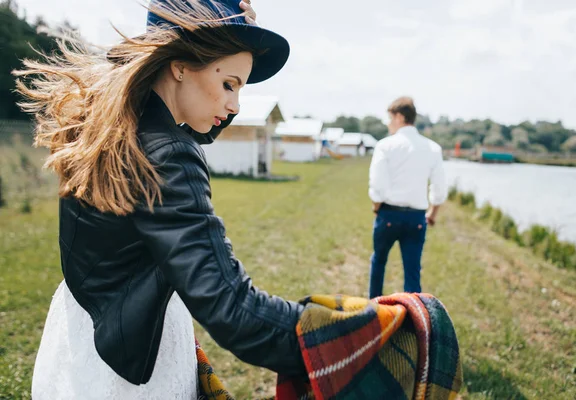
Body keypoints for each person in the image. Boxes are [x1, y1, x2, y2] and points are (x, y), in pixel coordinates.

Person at [17, 1, 307, 398]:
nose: (236, 105)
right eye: (229, 85)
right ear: (181, 65)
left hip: (78, 339)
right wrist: (348, 335)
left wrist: (237, 39)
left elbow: (193, 129)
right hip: (130, 370)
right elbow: (232, 307)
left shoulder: (111, 120)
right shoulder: (168, 153)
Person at [368, 97, 447, 298]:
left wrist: (377, 207)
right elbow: (439, 187)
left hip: (388, 214)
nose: (388, 123)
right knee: (412, 271)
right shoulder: (432, 148)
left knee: (379, 261)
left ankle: (373, 308)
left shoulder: (385, 146)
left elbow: (378, 185)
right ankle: (412, 320)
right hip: (417, 218)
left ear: (400, 117)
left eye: (390, 118)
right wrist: (433, 214)